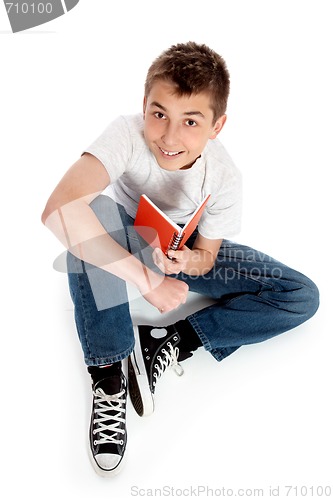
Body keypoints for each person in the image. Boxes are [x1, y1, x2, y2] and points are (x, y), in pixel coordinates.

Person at [41, 41, 319, 477]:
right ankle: (109, 371)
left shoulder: (225, 177)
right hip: (124, 237)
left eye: (191, 121)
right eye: (159, 114)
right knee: (88, 214)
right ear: (144, 106)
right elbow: (59, 209)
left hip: (179, 248)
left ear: (217, 125)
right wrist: (146, 280)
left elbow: (208, 257)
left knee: (300, 295)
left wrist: (184, 264)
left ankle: (170, 341)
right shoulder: (125, 133)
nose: (170, 137)